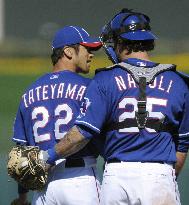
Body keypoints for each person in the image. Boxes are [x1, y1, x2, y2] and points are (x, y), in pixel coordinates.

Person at [41, 8, 189, 205]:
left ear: (120, 42)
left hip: (117, 178)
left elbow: (83, 131)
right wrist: (166, 178)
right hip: (159, 176)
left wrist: (47, 156)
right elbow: (183, 144)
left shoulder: (105, 78)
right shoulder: (179, 82)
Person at [11, 25, 102, 205]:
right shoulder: (90, 87)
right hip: (80, 181)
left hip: (43, 188)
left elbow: (21, 153)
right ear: (68, 52)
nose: (91, 54)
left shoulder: (29, 92)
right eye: (87, 49)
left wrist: (22, 196)